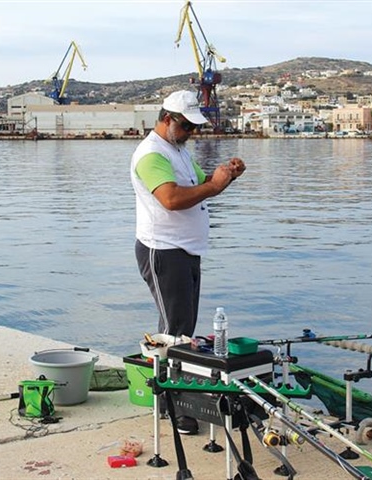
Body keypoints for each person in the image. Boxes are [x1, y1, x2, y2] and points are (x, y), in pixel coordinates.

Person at [130, 90, 245, 434]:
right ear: (167, 119)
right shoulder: (152, 155)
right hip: (164, 250)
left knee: (183, 329)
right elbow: (171, 199)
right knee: (173, 333)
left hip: (185, 250)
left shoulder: (177, 150)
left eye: (195, 127)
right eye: (187, 126)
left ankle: (178, 397)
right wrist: (214, 188)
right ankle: (172, 405)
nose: (192, 132)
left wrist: (226, 176)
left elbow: (204, 184)